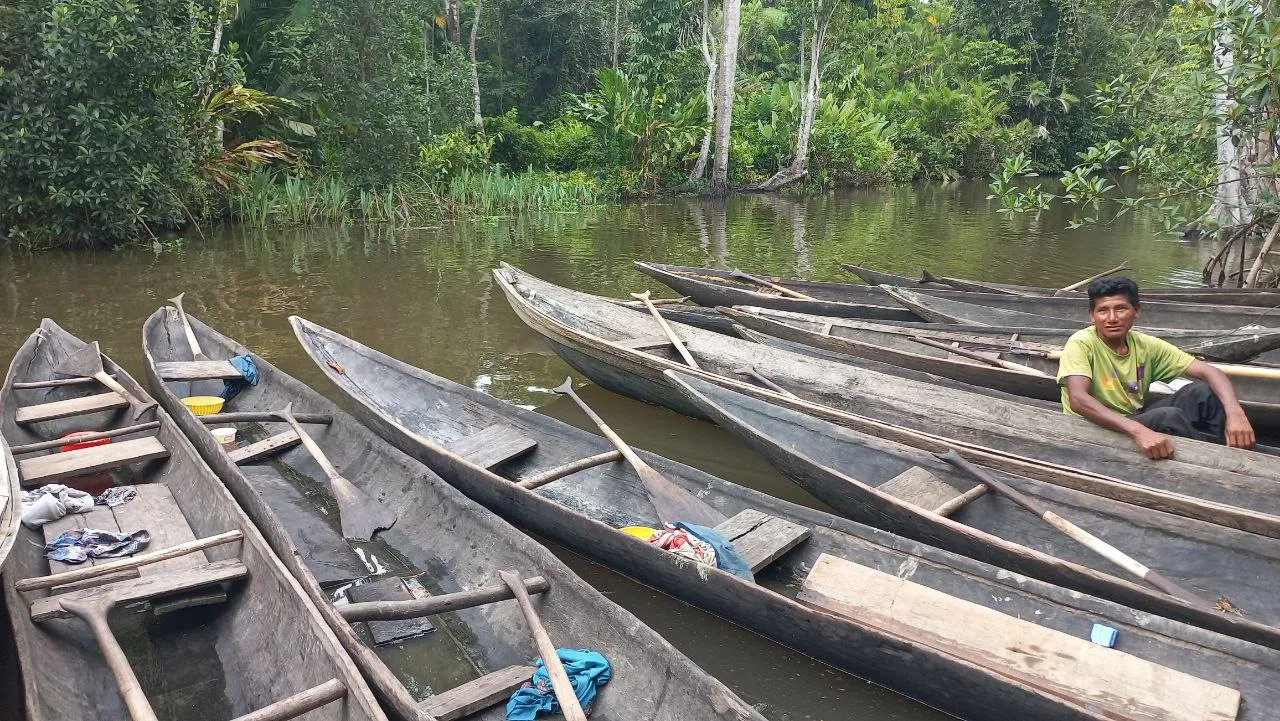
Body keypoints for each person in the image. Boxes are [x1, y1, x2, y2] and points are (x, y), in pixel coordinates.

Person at [1057, 276, 1256, 459]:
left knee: (1203, 392)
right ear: (1092, 316)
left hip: (1132, 417)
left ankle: (1227, 453)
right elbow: (1079, 400)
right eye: (1103, 311)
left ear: (1136, 310)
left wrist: (1235, 412)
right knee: (1168, 417)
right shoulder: (1081, 343)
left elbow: (1209, 371)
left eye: (1120, 308)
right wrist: (1138, 430)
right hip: (1092, 425)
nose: (1112, 318)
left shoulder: (1146, 345)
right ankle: (1211, 461)